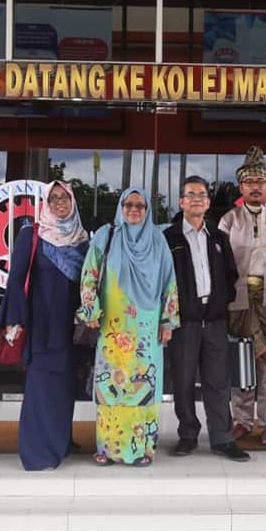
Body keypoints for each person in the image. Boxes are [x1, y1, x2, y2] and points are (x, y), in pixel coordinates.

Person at [77, 187, 179, 467]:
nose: (134, 210)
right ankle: (108, 448)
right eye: (128, 204)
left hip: (146, 329)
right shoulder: (106, 235)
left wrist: (168, 321)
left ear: (147, 210)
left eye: (140, 205)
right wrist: (90, 310)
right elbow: (90, 274)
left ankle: (141, 449)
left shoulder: (157, 240)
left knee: (142, 386)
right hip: (113, 325)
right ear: (120, 207)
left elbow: (169, 281)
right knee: (110, 385)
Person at [1, 181, 89, 471]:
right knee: (41, 387)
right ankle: (38, 453)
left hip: (71, 328)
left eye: (65, 197)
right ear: (46, 203)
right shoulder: (33, 235)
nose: (60, 202)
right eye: (54, 198)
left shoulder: (81, 239)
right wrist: (15, 319)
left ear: (73, 202)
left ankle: (61, 441)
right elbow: (16, 279)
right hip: (42, 326)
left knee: (65, 387)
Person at [164, 176, 249, 462]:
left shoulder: (218, 237)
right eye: (190, 194)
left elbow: (230, 274)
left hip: (214, 322)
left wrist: (219, 302)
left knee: (218, 383)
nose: (196, 199)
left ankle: (222, 438)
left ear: (208, 202)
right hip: (184, 323)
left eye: (201, 194)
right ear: (181, 201)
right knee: (183, 381)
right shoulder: (169, 238)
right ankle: (188, 434)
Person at [218, 145, 266, 445]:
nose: (255, 187)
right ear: (241, 187)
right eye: (249, 182)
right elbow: (221, 265)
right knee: (242, 361)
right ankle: (242, 419)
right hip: (238, 300)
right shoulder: (229, 220)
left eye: (260, 182)